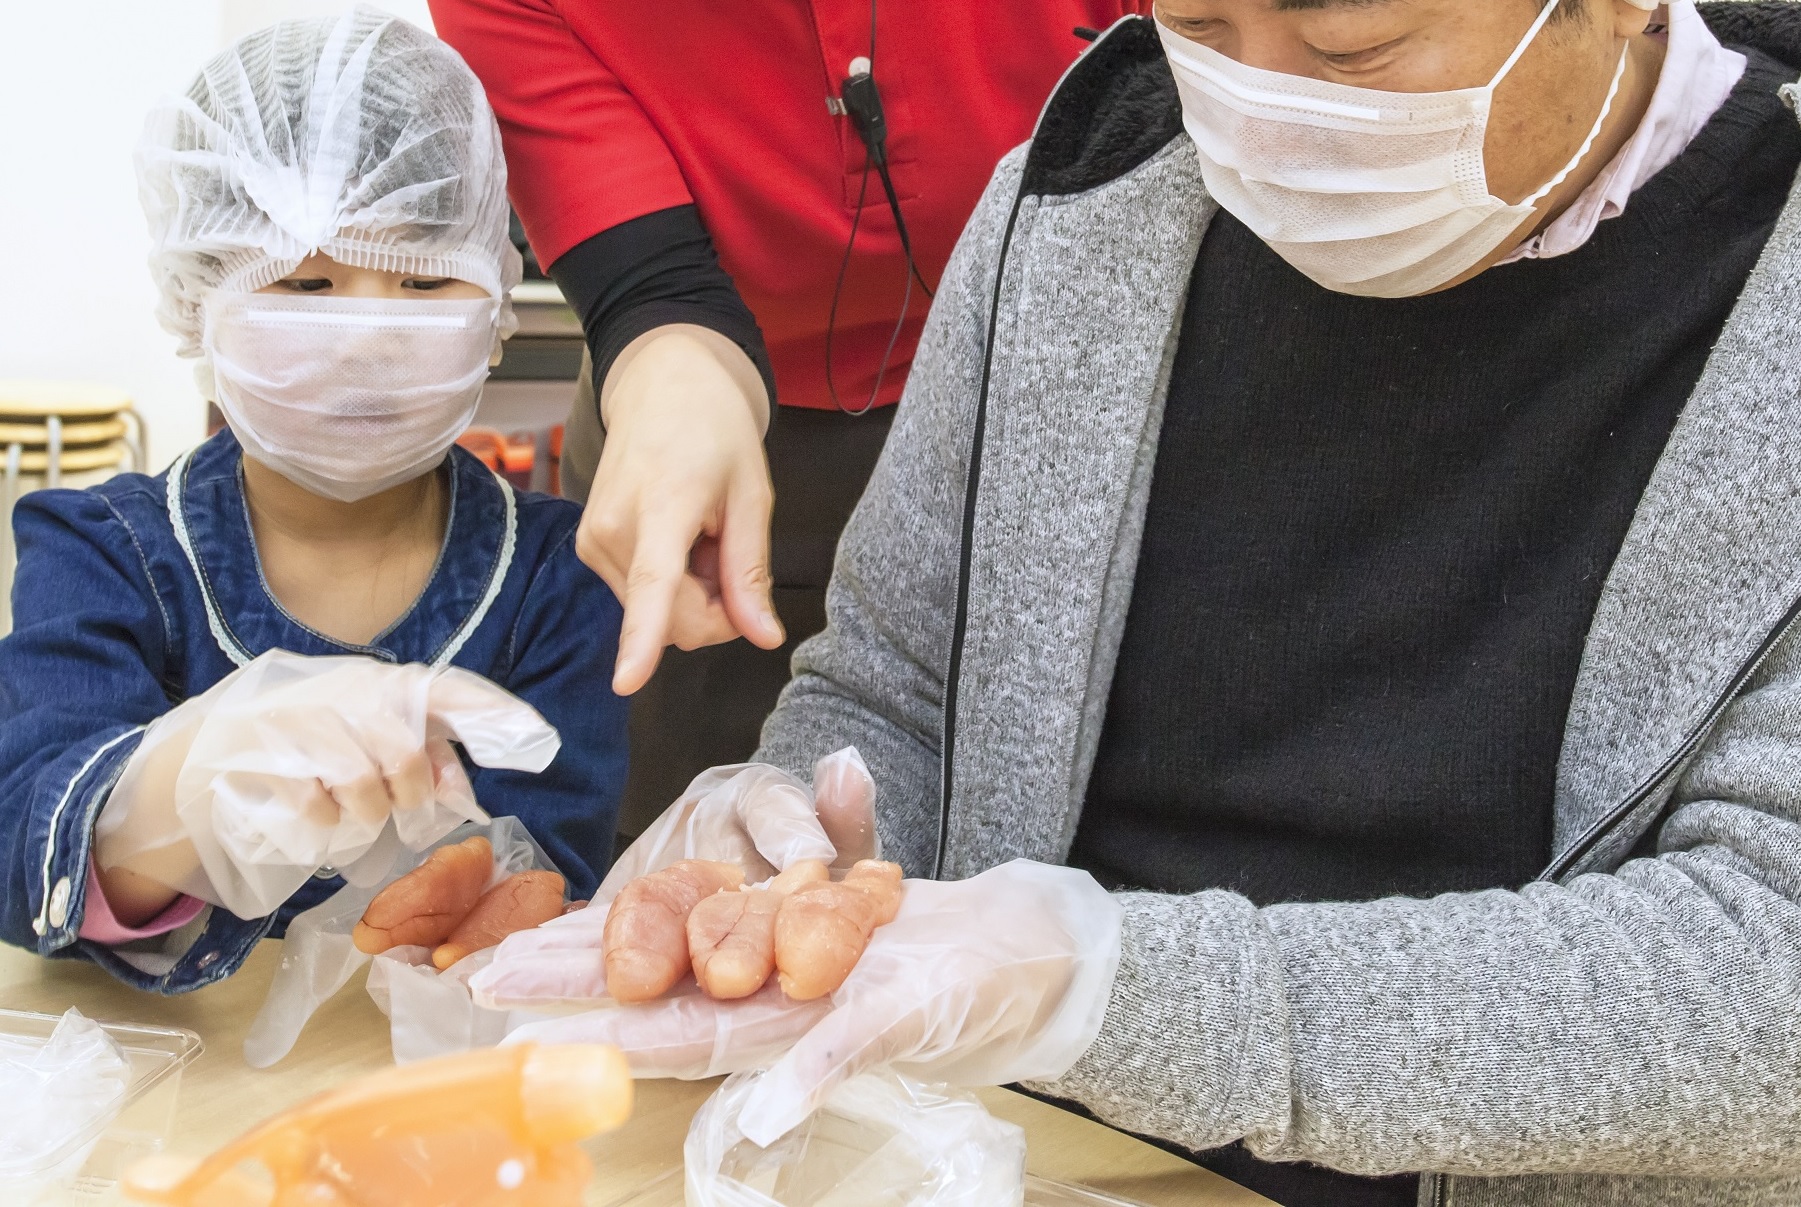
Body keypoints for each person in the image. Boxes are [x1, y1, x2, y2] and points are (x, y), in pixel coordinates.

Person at [482, 1, 1801, 1204]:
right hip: (1013, 1159)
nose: (1256, 106)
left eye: (1349, 48)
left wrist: (1103, 986)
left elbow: (1765, 979)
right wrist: (794, 847)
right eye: (1198, 21)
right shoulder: (1081, 201)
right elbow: (897, 680)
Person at [0, 8, 628, 993]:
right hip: (154, 1089)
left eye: (423, 281)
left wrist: (487, 879)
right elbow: (23, 854)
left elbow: (548, 883)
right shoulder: (104, 552)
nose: (366, 336)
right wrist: (179, 792)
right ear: (198, 296)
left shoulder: (560, 578)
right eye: (305, 280)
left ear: (497, 295)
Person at [428, 0, 1154, 835]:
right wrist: (675, 378)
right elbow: (653, 285)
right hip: (737, 436)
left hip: (1084, 367)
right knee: (715, 859)